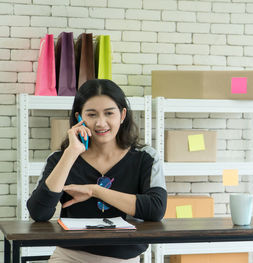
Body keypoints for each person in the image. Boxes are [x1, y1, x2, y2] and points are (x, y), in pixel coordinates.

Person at [27, 79, 167, 263]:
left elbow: (155, 209)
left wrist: (95, 190)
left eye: (109, 113)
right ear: (79, 117)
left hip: (123, 259)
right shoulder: (60, 158)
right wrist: (71, 153)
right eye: (91, 115)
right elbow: (38, 212)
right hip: (69, 256)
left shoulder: (146, 157)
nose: (101, 123)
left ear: (122, 115)